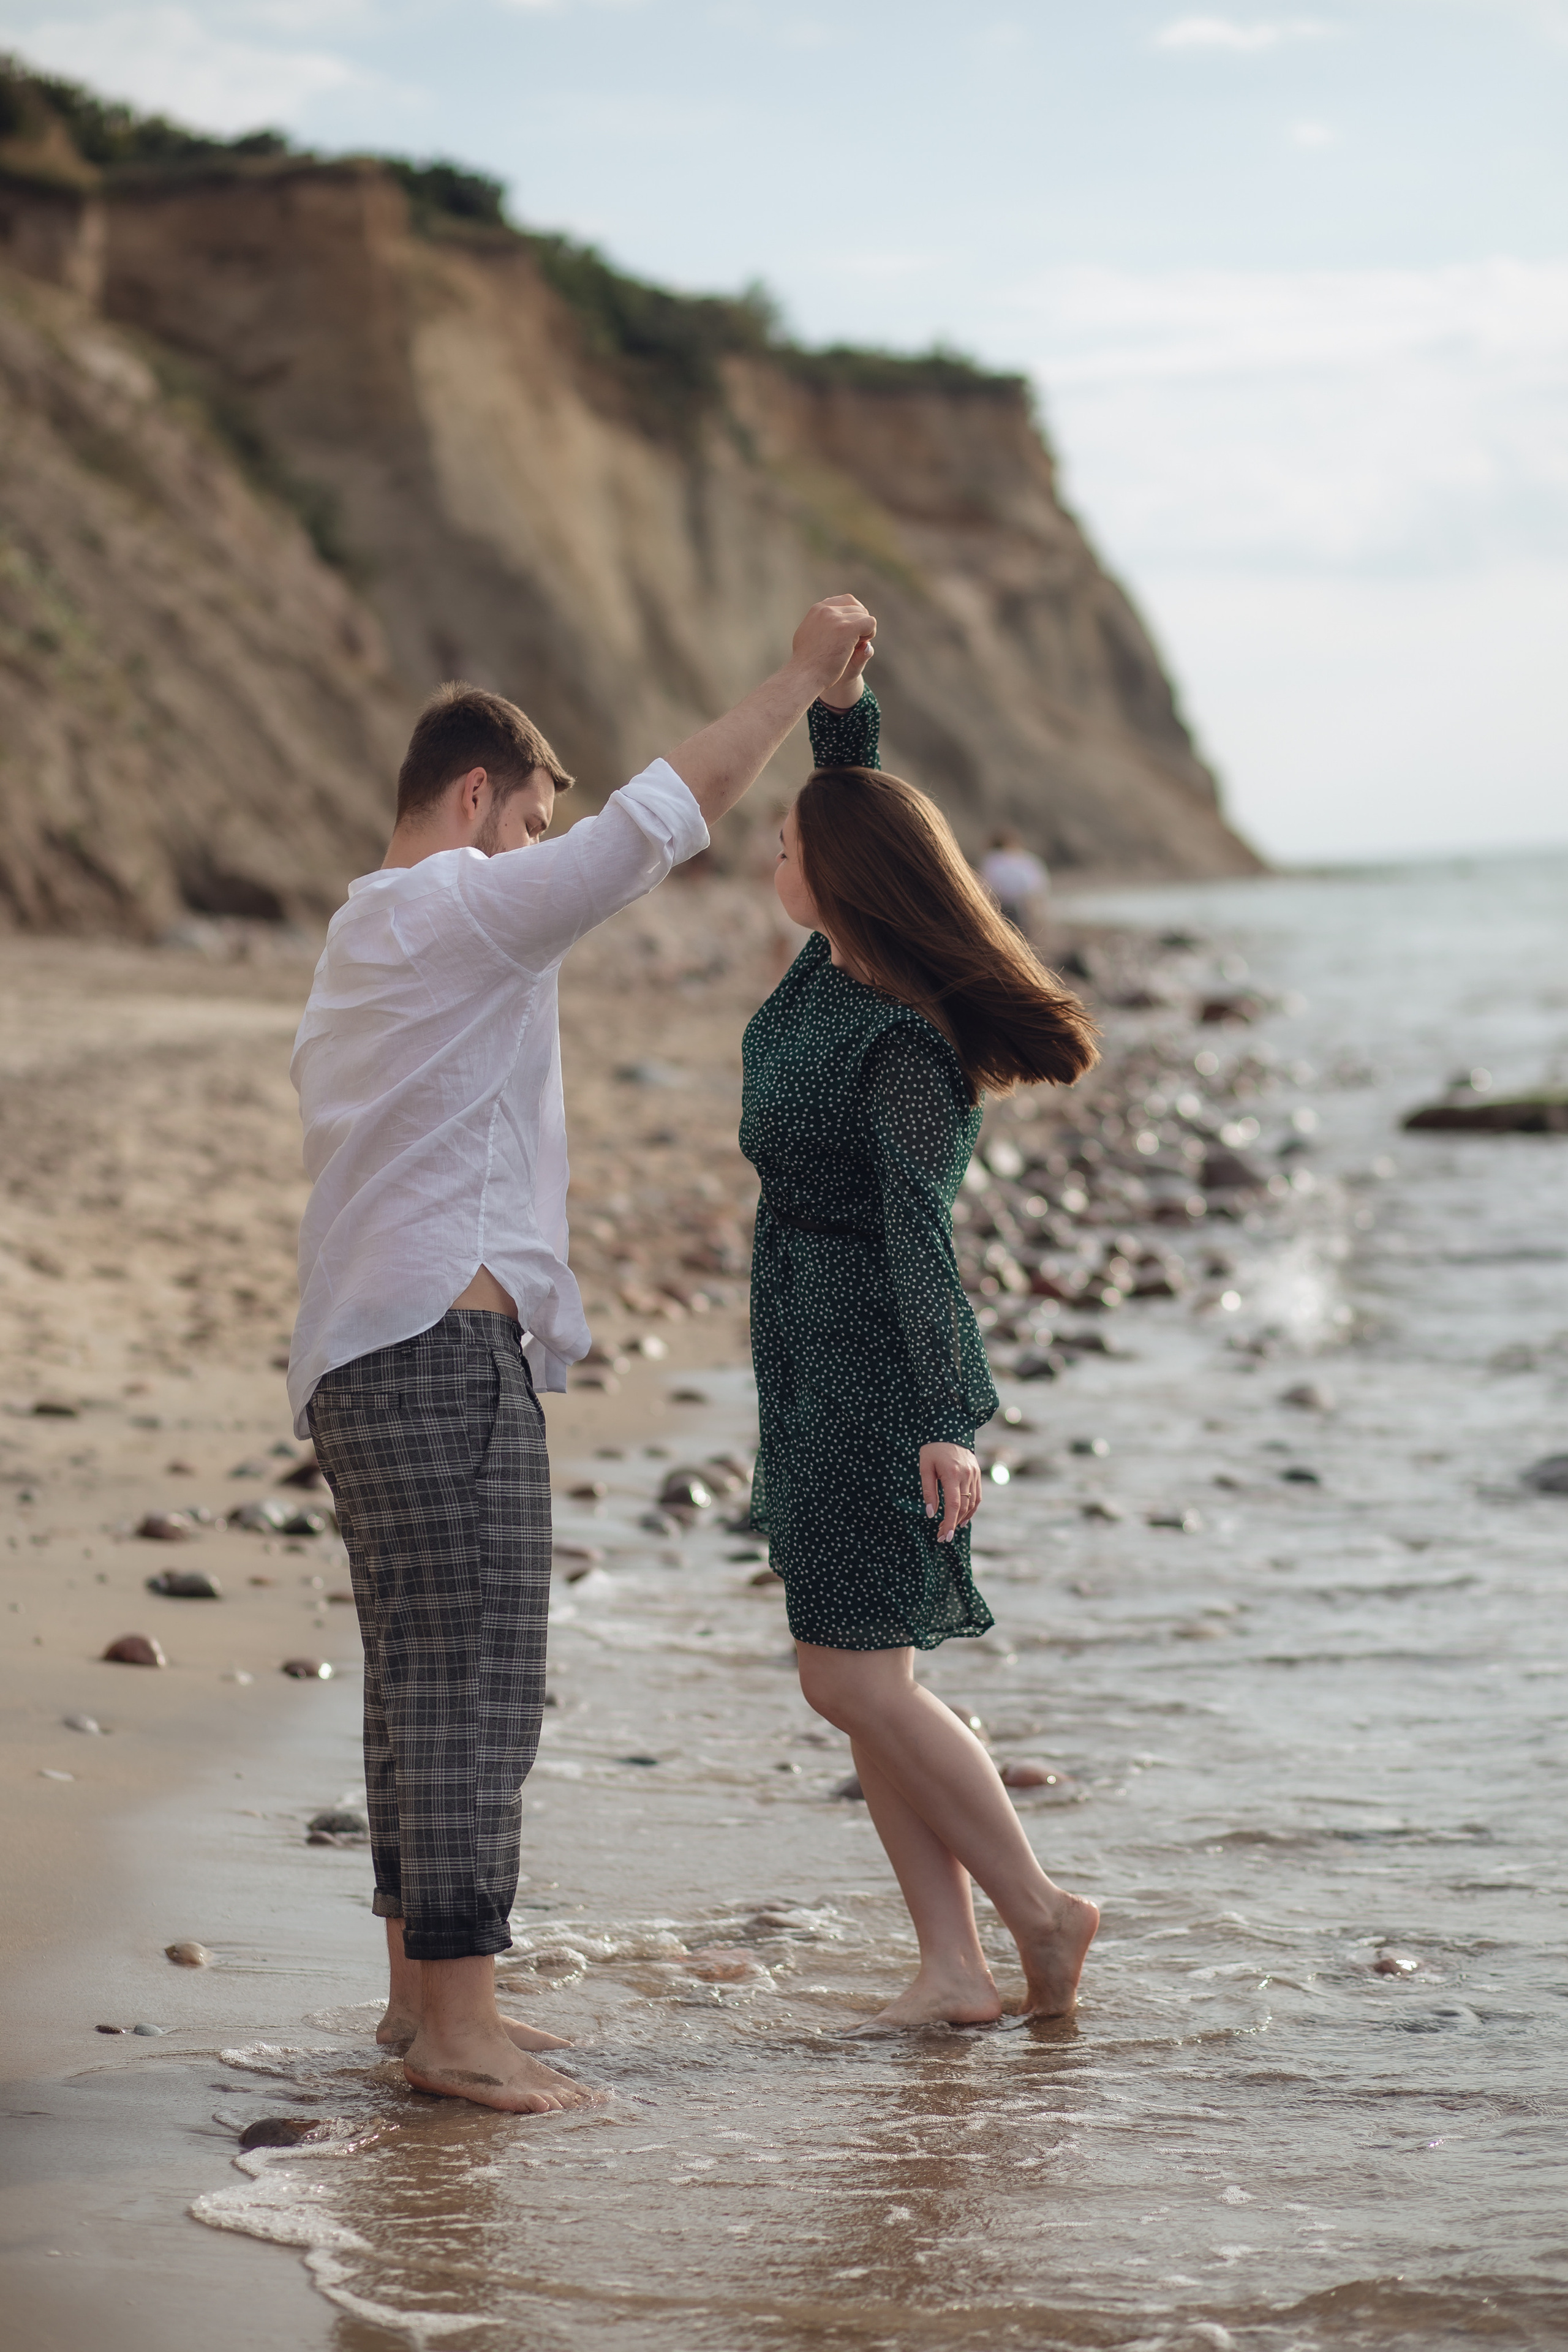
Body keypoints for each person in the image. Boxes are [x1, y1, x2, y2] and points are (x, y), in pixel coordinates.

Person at [287, 592, 876, 2114]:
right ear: (476, 799)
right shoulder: (456, 905)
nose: (542, 846)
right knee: (480, 1678)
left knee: (413, 1676)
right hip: (437, 1344)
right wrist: (802, 680)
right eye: (530, 817)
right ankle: (461, 2026)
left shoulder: (365, 932)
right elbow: (657, 820)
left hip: (359, 1352)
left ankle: (422, 2001)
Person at [741, 650, 1101, 2029]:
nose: (773, 857)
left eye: (783, 847)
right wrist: (838, 700)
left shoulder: (900, 1044)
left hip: (869, 1373)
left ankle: (1040, 1911)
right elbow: (853, 799)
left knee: (849, 1674)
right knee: (859, 1681)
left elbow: (916, 1234)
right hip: (804, 1355)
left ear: (834, 878)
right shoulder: (829, 972)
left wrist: (948, 1416)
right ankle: (950, 1970)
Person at [980, 828, 1049, 936]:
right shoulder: (1028, 859)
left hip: (1001, 904)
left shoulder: (992, 859)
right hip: (1023, 905)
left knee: (1003, 937)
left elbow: (987, 885)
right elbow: (1037, 887)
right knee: (1024, 938)